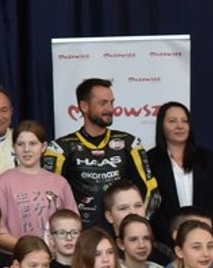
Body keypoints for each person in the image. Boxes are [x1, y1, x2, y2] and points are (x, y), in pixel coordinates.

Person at [42, 78, 157, 228]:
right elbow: (48, 198)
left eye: (111, 103)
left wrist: (135, 227)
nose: (110, 109)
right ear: (84, 106)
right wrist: (65, 232)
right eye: (103, 103)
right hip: (80, 237)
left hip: (121, 235)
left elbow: (151, 191)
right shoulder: (60, 149)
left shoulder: (130, 144)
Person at [0, 120, 77, 251]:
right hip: (17, 258)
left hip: (56, 257)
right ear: (13, 147)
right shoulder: (1, 183)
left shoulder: (60, 183)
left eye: (33, 143)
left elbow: (74, 225)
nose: (26, 149)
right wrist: (30, 250)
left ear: (43, 146)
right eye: (20, 144)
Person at [145, 101, 213, 245]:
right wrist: (172, 236)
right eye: (172, 121)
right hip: (165, 241)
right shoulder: (150, 160)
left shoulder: (206, 158)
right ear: (161, 125)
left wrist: (203, 230)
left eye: (184, 121)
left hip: (203, 237)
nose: (180, 126)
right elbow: (151, 205)